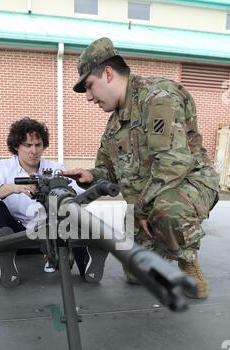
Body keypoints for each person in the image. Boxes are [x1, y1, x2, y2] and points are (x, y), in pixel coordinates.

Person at [64, 37, 220, 299]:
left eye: (90, 86)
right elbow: (108, 170)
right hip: (147, 199)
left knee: (167, 210)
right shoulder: (114, 125)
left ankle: (187, 259)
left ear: (108, 73)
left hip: (188, 184)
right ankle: (163, 244)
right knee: (136, 275)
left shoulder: (159, 97)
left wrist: (145, 209)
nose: (89, 97)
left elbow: (173, 162)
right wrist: (91, 176)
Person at [0, 117, 105, 286]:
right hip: (16, 235)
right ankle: (2, 262)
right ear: (16, 146)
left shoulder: (56, 169)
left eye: (38, 145)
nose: (34, 151)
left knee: (71, 209)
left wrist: (84, 184)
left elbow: (78, 193)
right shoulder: (2, 168)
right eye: (28, 145)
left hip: (52, 232)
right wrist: (12, 188)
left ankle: (87, 263)